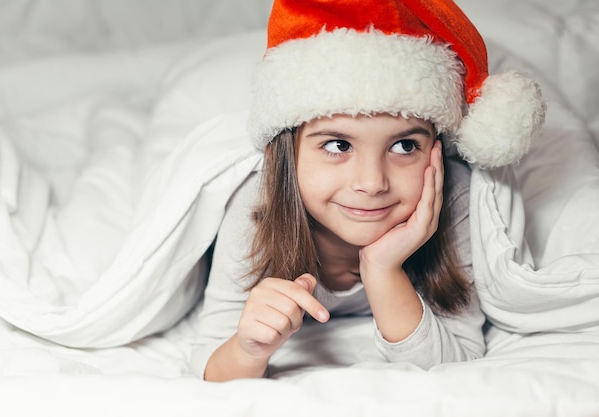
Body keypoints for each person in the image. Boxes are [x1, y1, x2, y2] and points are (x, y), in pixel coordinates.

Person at [189, 0, 545, 381]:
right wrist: (248, 348)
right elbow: (211, 361)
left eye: (405, 146)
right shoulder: (256, 206)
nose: (372, 183)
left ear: (436, 150)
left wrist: (382, 270)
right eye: (339, 145)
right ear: (286, 154)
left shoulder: (451, 195)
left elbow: (457, 361)